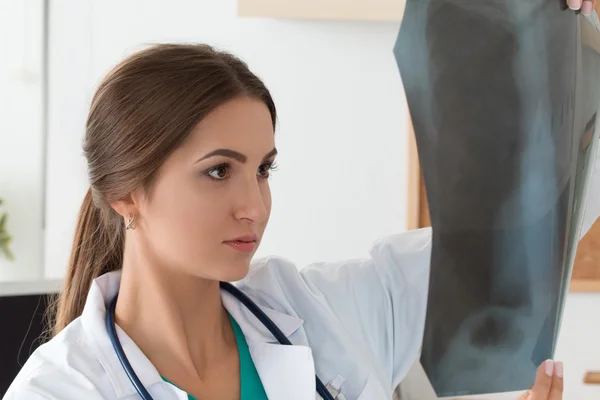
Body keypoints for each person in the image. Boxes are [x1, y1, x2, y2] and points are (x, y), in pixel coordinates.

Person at [3, 3, 598, 398]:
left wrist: (576, 38)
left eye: (263, 170)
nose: (254, 206)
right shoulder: (58, 390)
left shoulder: (320, 312)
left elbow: (525, 233)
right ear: (125, 192)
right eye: (217, 172)